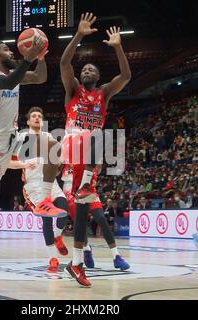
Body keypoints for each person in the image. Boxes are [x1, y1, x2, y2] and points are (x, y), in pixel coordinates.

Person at [0, 38, 65, 280]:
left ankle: (43, 199)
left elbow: (40, 78)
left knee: (53, 146)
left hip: (13, 135)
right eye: (5, 48)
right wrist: (29, 57)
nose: (10, 50)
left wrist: (40, 56)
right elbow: (10, 81)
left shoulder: (14, 72)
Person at [59, 12, 131, 287]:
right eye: (84, 69)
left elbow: (125, 75)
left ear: (98, 77)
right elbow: (65, 62)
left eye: (92, 70)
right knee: (96, 136)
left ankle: (77, 263)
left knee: (81, 212)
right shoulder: (73, 90)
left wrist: (118, 47)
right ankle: (87, 186)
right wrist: (78, 34)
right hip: (74, 150)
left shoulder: (104, 93)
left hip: (90, 160)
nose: (86, 71)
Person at [8, 107, 69, 273]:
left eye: (39, 116)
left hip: (50, 182)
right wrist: (24, 164)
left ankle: (57, 235)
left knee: (64, 207)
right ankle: (53, 259)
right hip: (33, 184)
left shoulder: (49, 137)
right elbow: (7, 163)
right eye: (33, 116)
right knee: (47, 220)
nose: (36, 118)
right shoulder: (21, 137)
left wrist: (58, 165)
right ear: (28, 121)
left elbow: (56, 164)